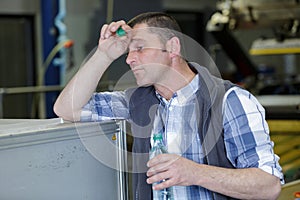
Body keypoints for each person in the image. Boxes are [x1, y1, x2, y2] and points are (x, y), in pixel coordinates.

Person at [54, 12, 283, 200]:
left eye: (140, 48)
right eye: (129, 51)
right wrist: (103, 55)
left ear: (172, 47)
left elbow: (268, 186)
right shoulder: (137, 102)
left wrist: (194, 173)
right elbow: (67, 109)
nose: (129, 59)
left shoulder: (230, 101)